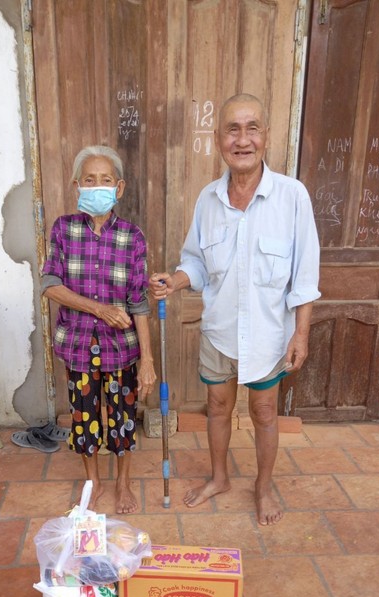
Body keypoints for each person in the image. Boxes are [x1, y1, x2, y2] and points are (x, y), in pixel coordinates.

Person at [150, 94, 320, 526]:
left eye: (252, 128)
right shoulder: (208, 200)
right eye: (232, 130)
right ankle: (220, 477)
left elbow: (305, 276)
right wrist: (175, 281)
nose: (242, 140)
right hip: (220, 331)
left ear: (266, 136)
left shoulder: (292, 197)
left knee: (264, 413)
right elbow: (195, 262)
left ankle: (263, 487)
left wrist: (301, 334)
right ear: (218, 139)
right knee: (217, 406)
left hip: (268, 334)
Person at [42, 145, 156, 515]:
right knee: (84, 416)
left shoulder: (132, 237)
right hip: (77, 345)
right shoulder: (63, 229)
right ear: (77, 186)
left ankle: (123, 481)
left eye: (105, 180)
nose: (97, 186)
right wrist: (100, 309)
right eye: (89, 180)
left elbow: (139, 302)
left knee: (123, 416)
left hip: (121, 348)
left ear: (118, 188)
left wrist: (148, 360)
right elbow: (50, 285)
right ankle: (93, 481)